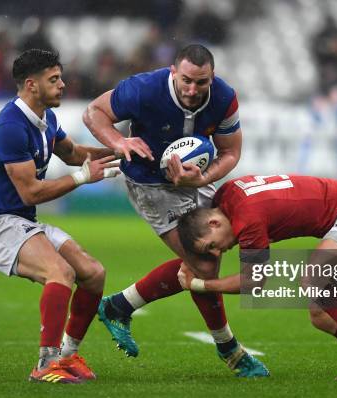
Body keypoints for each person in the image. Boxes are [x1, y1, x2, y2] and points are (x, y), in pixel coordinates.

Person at [83, 44, 269, 377]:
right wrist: (118, 142)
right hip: (151, 185)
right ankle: (231, 351)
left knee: (203, 258)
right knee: (204, 262)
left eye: (202, 82)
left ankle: (118, 306)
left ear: (212, 77)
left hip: (198, 179)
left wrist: (204, 178)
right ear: (173, 72)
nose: (193, 90)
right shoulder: (144, 89)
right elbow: (94, 112)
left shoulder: (224, 98)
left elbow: (231, 151)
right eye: (186, 81)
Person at [176, 174, 337, 380]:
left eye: (212, 245)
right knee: (321, 317)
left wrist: (200, 284)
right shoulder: (227, 194)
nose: (218, 252)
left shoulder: (247, 220)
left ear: (213, 224)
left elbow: (253, 282)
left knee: (314, 277)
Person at [0, 49, 120, 384]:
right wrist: (83, 178)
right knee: (60, 271)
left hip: (22, 221)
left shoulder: (46, 119)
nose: (63, 85)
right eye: (54, 80)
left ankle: (67, 357)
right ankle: (46, 364)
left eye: (60, 77)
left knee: (93, 273)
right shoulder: (11, 126)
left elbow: (74, 154)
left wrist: (123, 149)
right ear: (31, 85)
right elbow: (31, 192)